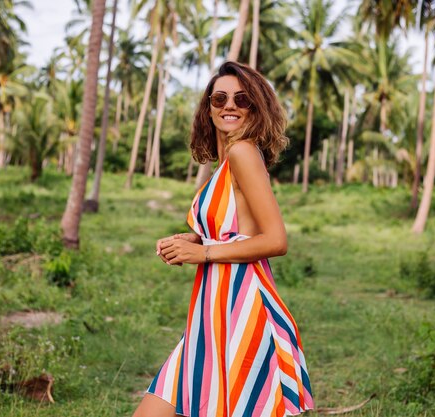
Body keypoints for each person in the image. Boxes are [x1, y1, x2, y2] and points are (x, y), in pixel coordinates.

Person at [132, 61, 314, 417]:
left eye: (242, 99)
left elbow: (276, 240)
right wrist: (195, 240)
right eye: (220, 98)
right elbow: (238, 228)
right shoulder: (227, 162)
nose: (229, 105)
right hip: (211, 313)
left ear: (256, 108)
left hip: (242, 310)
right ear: (209, 107)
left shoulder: (243, 153)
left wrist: (204, 253)